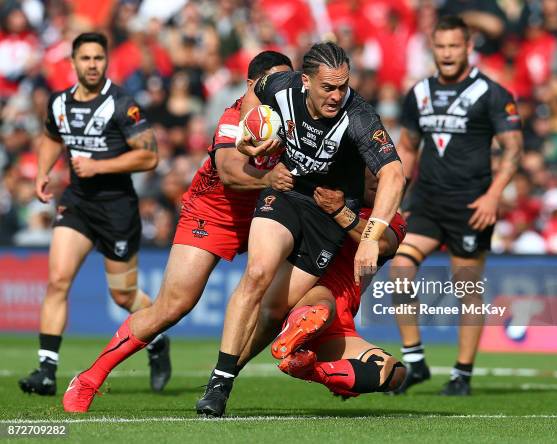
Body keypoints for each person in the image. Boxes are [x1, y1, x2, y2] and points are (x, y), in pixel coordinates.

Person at [61, 51, 294, 413]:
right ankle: (90, 378)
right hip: (213, 213)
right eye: (277, 81)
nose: (285, 89)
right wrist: (268, 177)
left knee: (281, 301)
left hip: (271, 214)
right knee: (173, 306)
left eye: (290, 82)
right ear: (253, 84)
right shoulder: (234, 118)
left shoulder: (294, 115)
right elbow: (231, 171)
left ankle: (223, 380)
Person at [196, 41, 404, 417]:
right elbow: (251, 101)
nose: (337, 95)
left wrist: (371, 238)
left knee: (275, 309)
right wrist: (254, 141)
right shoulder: (280, 87)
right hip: (288, 193)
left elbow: (393, 173)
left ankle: (296, 359)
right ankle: (219, 384)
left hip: (327, 218)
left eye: (343, 86)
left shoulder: (359, 117)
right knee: (257, 272)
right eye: (328, 87)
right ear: (305, 81)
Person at [18, 32, 166, 396]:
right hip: (78, 204)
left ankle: (158, 338)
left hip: (117, 208)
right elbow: (52, 136)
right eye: (85, 58)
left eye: (98, 58)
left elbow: (149, 156)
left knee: (123, 295)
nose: (92, 65)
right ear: (73, 63)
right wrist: (41, 172)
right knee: (57, 281)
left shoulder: (122, 103)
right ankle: (47, 371)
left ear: (106, 61)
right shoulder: (59, 103)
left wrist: (100, 166)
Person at [390, 16, 523, 396]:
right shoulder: (419, 94)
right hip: (428, 202)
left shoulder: (493, 93)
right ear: (433, 48)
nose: (447, 54)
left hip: (472, 205)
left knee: (466, 286)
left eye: (454, 46)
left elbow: (513, 149)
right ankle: (414, 360)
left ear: (468, 47)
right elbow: (409, 148)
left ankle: (462, 374)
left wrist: (494, 195)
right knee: (400, 268)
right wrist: (396, 199)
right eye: (440, 46)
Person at [272, 186, 408, 397]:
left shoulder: (392, 220)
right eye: (375, 173)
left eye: (386, 180)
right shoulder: (316, 193)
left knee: (394, 373)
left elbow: (383, 244)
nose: (380, 183)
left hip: (340, 325)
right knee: (323, 305)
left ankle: (310, 368)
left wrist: (339, 211)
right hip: (308, 295)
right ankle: (294, 330)